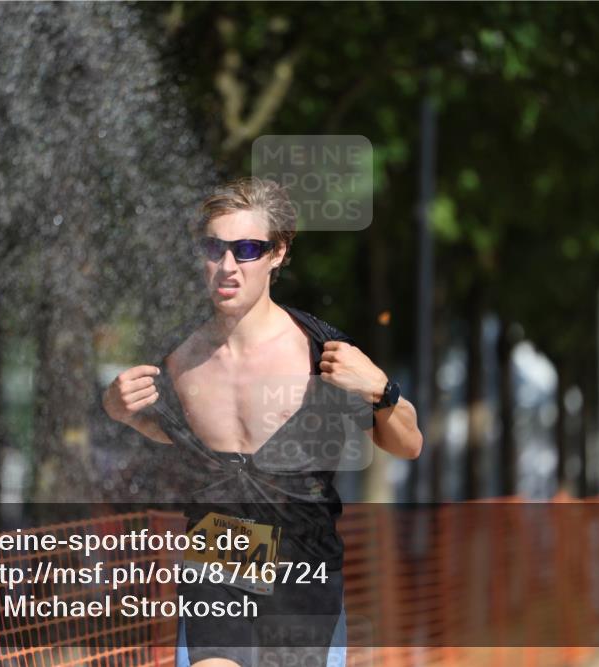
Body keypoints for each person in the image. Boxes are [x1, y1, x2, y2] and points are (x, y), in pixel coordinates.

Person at [103, 177, 422, 667]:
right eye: (215, 248)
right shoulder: (179, 356)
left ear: (278, 253)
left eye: (247, 249)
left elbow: (408, 443)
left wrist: (381, 390)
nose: (228, 266)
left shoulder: (322, 352)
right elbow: (168, 432)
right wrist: (115, 406)